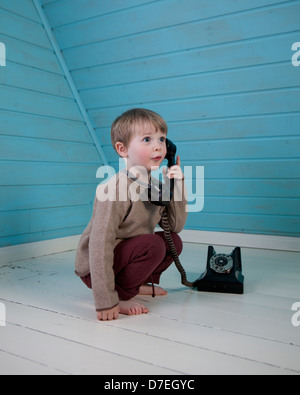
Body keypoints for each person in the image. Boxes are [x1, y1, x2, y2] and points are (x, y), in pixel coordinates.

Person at [75, 108, 188, 321]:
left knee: (172, 240)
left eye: (162, 139)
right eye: (147, 139)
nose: (158, 146)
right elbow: (100, 244)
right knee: (152, 245)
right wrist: (105, 299)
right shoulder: (115, 189)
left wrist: (178, 184)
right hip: (95, 267)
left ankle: (141, 284)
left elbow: (175, 225)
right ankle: (121, 295)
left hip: (129, 254)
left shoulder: (155, 187)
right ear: (123, 148)